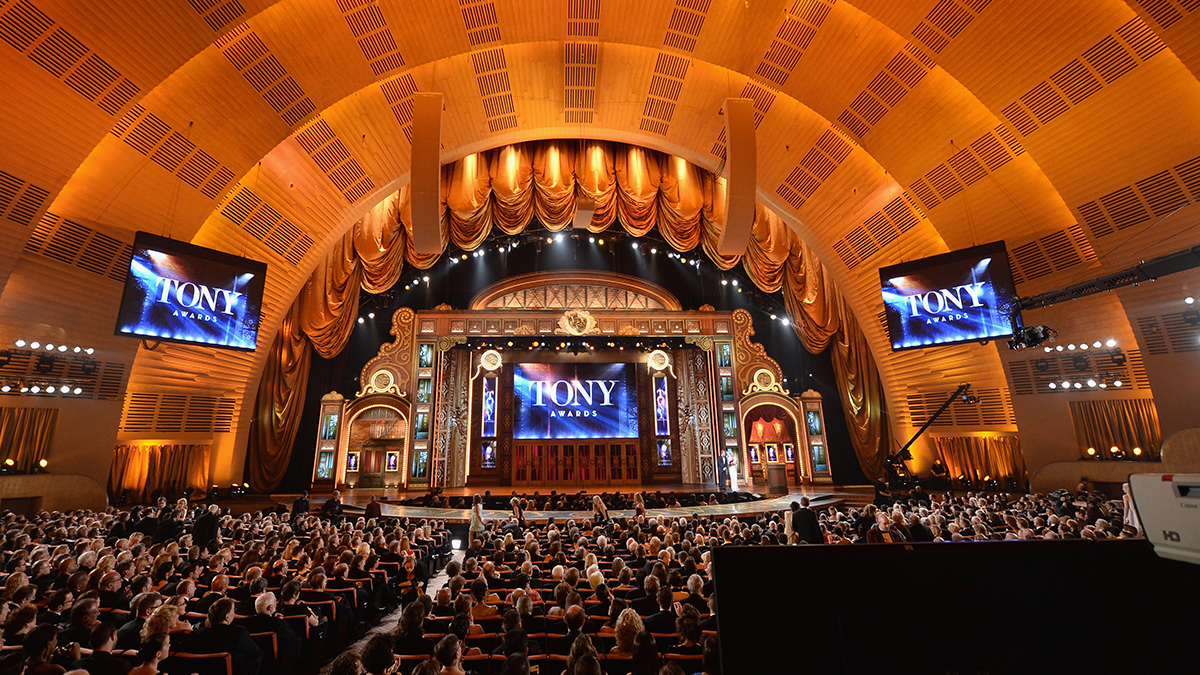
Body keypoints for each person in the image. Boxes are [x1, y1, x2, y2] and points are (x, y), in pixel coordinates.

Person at [189, 598, 262, 675]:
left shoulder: (197, 634)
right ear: (227, 617)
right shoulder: (238, 631)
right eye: (234, 610)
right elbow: (255, 653)